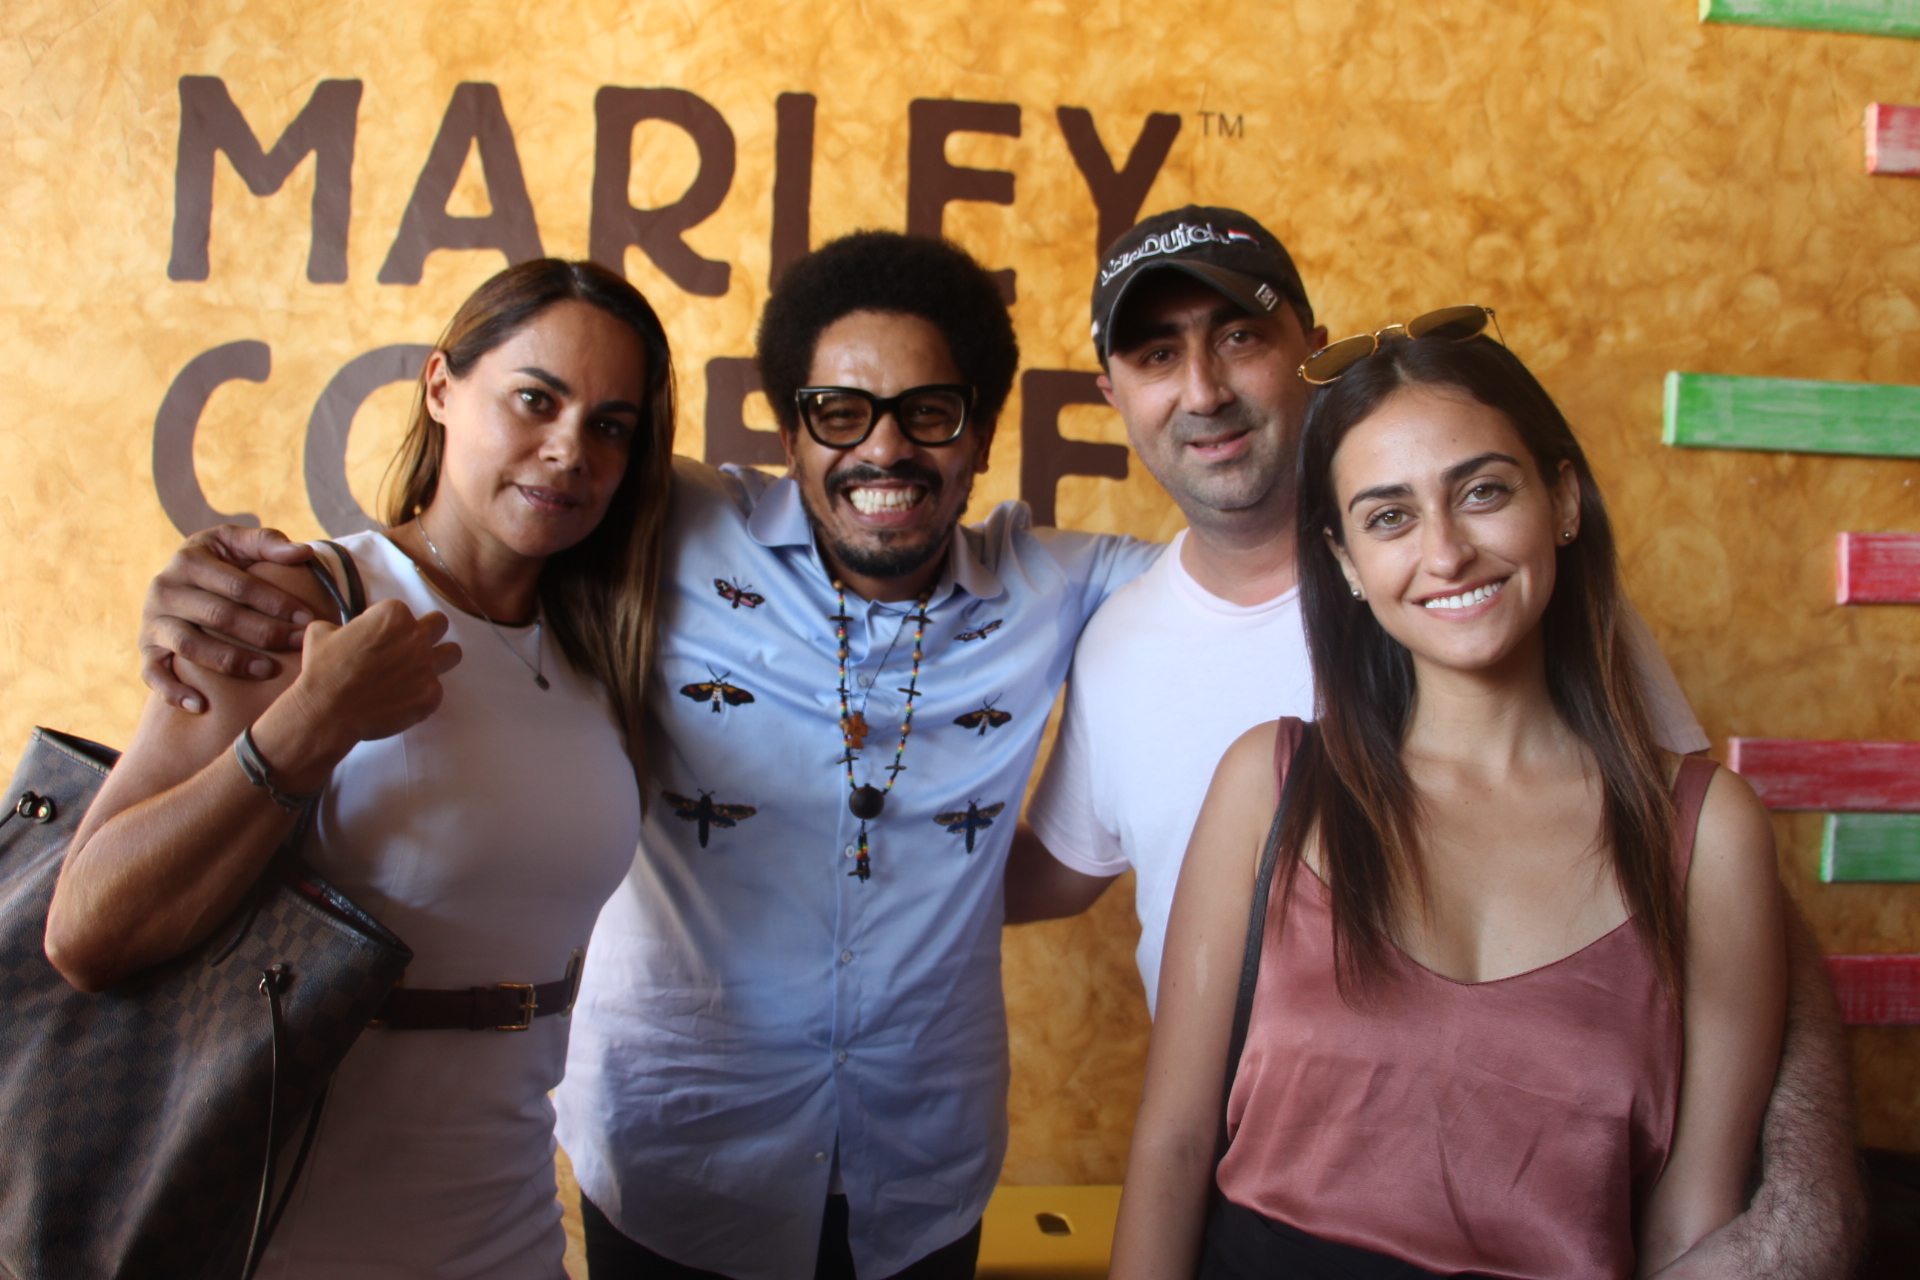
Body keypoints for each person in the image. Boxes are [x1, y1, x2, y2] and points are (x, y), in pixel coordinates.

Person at [130, 231, 1159, 1280]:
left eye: (930, 412)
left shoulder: (1066, 585)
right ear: (791, 431)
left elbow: (1237, 588)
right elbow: (485, 513)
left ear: (981, 432)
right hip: (677, 1161)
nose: (883, 449)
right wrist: (223, 584)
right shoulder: (666, 524)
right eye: (839, 412)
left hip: (923, 1174)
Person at [1008, 206, 1864, 1274]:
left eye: (1239, 335)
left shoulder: (1651, 750)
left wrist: (1812, 1202)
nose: (1204, 389)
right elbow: (1166, 1116)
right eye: (1156, 355)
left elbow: (1709, 893)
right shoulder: (1163, 680)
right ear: (1347, 558)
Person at [45, 257, 677, 1277]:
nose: (569, 450)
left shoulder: (602, 642)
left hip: (508, 1229)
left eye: (610, 424)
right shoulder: (305, 600)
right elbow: (87, 930)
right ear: (440, 388)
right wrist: (310, 724)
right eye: (535, 398)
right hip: (287, 1236)